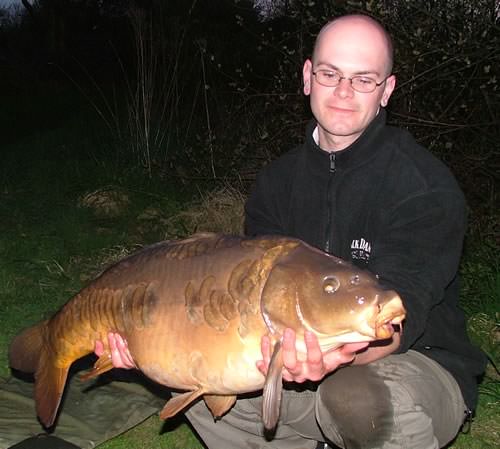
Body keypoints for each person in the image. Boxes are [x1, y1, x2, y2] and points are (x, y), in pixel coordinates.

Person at [95, 14, 487, 449]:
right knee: (197, 368)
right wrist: (147, 343)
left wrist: (336, 356)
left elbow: (400, 318)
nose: (342, 91)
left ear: (387, 91)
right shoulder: (276, 183)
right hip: (295, 361)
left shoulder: (423, 186)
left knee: (353, 399)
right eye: (330, 73)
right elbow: (242, 305)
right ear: (307, 77)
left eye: (363, 80)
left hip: (417, 364)